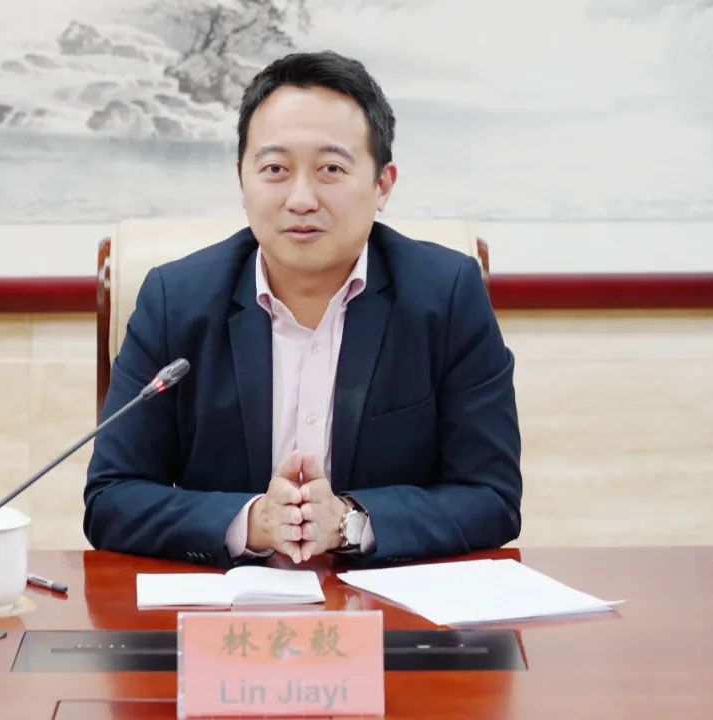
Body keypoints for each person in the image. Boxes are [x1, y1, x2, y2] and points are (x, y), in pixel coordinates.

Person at [84, 51, 521, 567]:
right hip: (225, 605)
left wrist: (349, 522)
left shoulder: (445, 295)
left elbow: (491, 496)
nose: (301, 199)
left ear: (383, 184)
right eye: (275, 169)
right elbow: (112, 498)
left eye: (330, 169)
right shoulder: (174, 301)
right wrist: (253, 522)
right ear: (242, 180)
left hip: (385, 605)